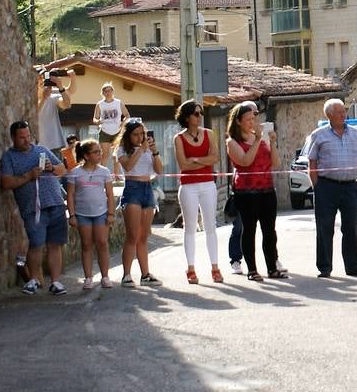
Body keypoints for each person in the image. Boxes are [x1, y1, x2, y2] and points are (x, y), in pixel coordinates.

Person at [0, 121, 70, 296]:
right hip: (32, 208)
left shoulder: (41, 150)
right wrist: (28, 176)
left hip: (55, 203)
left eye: (28, 136)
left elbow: (63, 169)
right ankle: (33, 279)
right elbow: (6, 182)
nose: (26, 140)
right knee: (36, 244)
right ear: (13, 138)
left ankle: (55, 282)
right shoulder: (9, 157)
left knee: (55, 244)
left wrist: (52, 168)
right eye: (22, 138)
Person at [306, 98, 357, 278]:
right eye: (339, 112)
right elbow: (312, 161)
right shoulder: (318, 135)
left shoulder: (356, 134)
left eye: (344, 111)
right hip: (326, 186)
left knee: (352, 227)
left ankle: (353, 266)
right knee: (324, 228)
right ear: (329, 115)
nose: (344, 115)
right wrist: (316, 185)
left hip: (350, 187)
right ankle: (325, 268)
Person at [226, 101, 285, 281]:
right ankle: (252, 269)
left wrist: (272, 143)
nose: (252, 122)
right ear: (238, 121)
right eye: (248, 119)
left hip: (267, 188)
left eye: (254, 118)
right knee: (249, 229)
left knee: (269, 231)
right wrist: (259, 140)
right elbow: (245, 161)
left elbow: (275, 163)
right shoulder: (233, 142)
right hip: (246, 191)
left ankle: (272, 267)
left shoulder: (262, 138)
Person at [174, 100, 223, 285]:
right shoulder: (178, 138)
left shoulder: (209, 134)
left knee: (211, 226)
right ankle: (191, 267)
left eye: (200, 113)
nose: (200, 116)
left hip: (207, 183)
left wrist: (195, 159)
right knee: (190, 228)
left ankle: (215, 266)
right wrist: (203, 160)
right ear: (187, 117)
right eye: (196, 113)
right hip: (188, 186)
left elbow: (216, 157)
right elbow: (183, 164)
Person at [115, 119, 163, 287]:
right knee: (132, 235)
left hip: (147, 188)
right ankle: (126, 275)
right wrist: (141, 150)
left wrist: (155, 152)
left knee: (144, 235)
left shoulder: (148, 149)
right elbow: (128, 166)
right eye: (135, 134)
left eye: (142, 133)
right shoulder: (122, 149)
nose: (140, 137)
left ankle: (145, 274)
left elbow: (159, 170)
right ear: (128, 135)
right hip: (132, 188)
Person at [65, 139, 115, 288]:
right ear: (86, 156)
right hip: (82, 214)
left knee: (102, 243)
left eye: (100, 151)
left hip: (101, 213)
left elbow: (110, 195)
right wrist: (72, 215)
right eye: (96, 152)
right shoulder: (75, 173)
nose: (100, 154)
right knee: (86, 244)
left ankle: (105, 277)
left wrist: (111, 213)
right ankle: (88, 278)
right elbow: (70, 195)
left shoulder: (104, 172)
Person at [93, 83, 128, 149]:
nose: (108, 93)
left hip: (118, 132)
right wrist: (98, 122)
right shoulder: (99, 104)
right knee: (105, 154)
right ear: (102, 93)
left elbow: (127, 115)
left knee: (119, 153)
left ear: (113, 91)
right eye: (106, 91)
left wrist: (123, 123)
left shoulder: (118, 102)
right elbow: (95, 118)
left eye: (109, 90)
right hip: (104, 132)